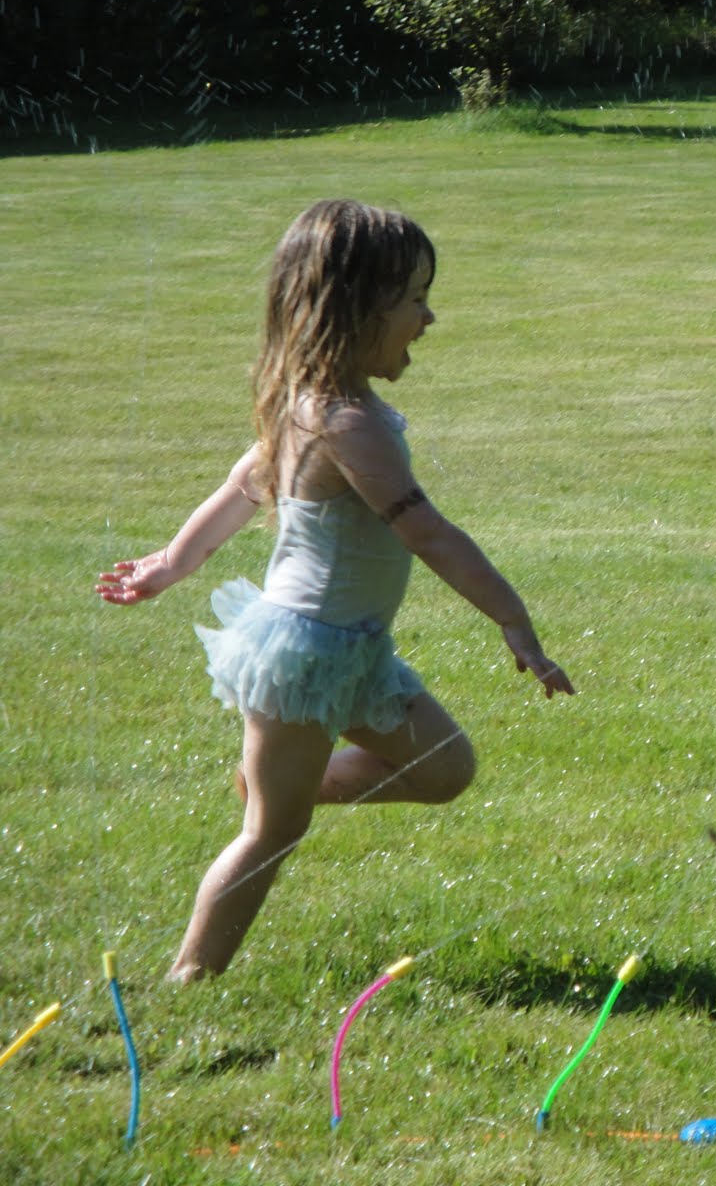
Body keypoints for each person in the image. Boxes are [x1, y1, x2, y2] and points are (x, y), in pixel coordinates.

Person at [96, 199, 574, 981]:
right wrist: (513, 620)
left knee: (446, 767)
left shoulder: (325, 407)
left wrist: (172, 564)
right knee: (271, 835)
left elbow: (239, 492)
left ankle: (279, 779)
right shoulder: (341, 421)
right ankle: (189, 979)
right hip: (304, 652)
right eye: (414, 299)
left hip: (352, 650)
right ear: (357, 308)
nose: (429, 317)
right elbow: (427, 533)